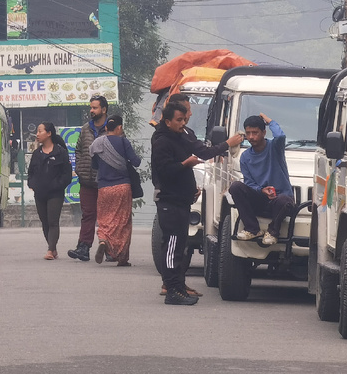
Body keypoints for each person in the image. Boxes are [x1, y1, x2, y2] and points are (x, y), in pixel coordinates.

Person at [152, 100, 243, 305]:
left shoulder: (183, 134)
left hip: (183, 199)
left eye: (185, 118)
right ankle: (171, 290)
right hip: (170, 201)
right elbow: (166, 172)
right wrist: (186, 163)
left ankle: (179, 285)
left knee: (181, 246)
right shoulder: (161, 142)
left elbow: (202, 151)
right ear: (167, 121)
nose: (183, 122)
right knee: (172, 247)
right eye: (179, 119)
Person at [228, 114, 295, 248]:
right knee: (235, 187)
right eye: (248, 133)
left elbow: (280, 136)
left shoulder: (275, 148)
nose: (251, 137)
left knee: (283, 200)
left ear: (263, 133)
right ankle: (252, 229)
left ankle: (272, 232)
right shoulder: (245, 157)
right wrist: (261, 190)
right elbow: (249, 182)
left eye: (255, 133)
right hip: (260, 199)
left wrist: (270, 121)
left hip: (280, 200)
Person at [90, 115, 141, 266]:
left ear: (106, 128)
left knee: (105, 219)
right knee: (123, 222)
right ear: (119, 128)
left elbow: (94, 165)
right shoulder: (123, 141)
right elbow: (136, 161)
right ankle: (122, 258)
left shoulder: (97, 143)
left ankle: (103, 240)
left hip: (104, 188)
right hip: (122, 187)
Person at [68, 95, 109, 261]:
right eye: (91, 107)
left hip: (106, 180)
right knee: (88, 214)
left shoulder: (112, 128)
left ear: (104, 110)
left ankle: (111, 250)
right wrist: (79, 167)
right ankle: (83, 248)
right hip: (86, 180)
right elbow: (78, 150)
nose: (91, 111)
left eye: (95, 108)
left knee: (107, 216)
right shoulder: (85, 128)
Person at [27, 122, 73, 260]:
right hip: (40, 193)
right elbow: (31, 173)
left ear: (49, 133)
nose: (37, 134)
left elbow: (67, 175)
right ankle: (53, 248)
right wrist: (33, 184)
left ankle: (50, 249)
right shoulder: (36, 153)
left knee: (53, 221)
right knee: (45, 221)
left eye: (40, 131)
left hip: (55, 194)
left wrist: (58, 185)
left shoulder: (61, 153)